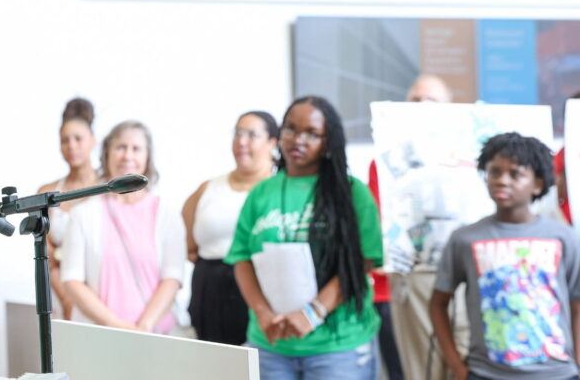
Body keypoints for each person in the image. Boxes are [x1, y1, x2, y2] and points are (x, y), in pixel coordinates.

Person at [226, 96, 383, 379]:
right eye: (290, 129)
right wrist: (262, 313)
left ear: (328, 142)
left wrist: (314, 312)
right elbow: (242, 258)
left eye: (311, 133)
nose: (298, 139)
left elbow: (362, 261)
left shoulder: (352, 193)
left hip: (337, 347)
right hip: (271, 344)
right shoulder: (261, 193)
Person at [430, 132, 580, 380]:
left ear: (537, 184)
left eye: (515, 174)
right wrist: (457, 367)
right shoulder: (465, 239)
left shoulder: (564, 237)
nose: (502, 180)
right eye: (494, 172)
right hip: (486, 373)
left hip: (556, 373)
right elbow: (438, 304)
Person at [60, 120, 186, 334]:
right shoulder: (82, 214)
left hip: (156, 334)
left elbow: (172, 277)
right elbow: (72, 279)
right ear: (106, 155)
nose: (128, 156)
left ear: (147, 157)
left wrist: (144, 326)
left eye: (136, 149)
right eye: (120, 147)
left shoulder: (167, 214)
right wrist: (117, 326)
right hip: (99, 334)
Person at [371, 74, 454, 380]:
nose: (422, 106)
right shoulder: (384, 162)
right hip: (401, 284)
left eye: (431, 100)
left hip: (456, 283)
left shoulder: (466, 159)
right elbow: (381, 220)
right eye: (415, 100)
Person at [184, 111, 278, 345]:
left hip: (261, 288)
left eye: (252, 135)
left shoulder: (278, 189)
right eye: (237, 133)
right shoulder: (209, 188)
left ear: (272, 142)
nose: (241, 142)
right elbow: (188, 244)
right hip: (210, 289)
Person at [38, 97, 98, 320]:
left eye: (78, 139)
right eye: (65, 140)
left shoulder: (110, 189)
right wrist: (67, 299)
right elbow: (47, 255)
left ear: (93, 140)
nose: (71, 146)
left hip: (102, 291)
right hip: (60, 293)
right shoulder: (47, 191)